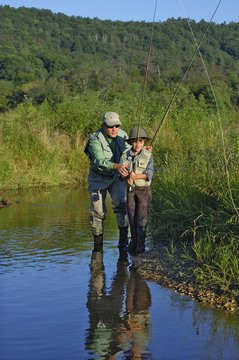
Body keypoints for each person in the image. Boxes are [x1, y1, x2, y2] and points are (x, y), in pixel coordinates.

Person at [84, 111, 130, 252]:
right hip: (98, 177)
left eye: (117, 125)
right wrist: (116, 166)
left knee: (121, 206)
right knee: (98, 212)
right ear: (103, 126)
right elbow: (98, 160)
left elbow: (131, 152)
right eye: (111, 126)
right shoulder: (94, 139)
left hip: (117, 177)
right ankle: (98, 248)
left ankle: (123, 243)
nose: (114, 129)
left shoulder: (124, 135)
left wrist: (143, 151)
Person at [120, 126, 154, 253]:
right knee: (132, 217)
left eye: (140, 141)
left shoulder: (148, 155)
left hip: (144, 190)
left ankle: (141, 245)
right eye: (135, 141)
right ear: (130, 142)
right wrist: (125, 177)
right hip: (130, 190)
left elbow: (149, 173)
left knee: (142, 218)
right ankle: (133, 241)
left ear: (144, 142)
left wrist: (136, 176)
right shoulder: (124, 156)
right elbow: (120, 176)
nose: (137, 144)